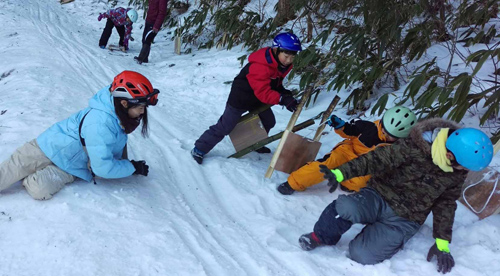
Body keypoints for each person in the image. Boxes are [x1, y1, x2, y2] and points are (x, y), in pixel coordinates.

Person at [298, 118, 494, 274]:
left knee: (362, 255)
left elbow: (446, 204)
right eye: (463, 165)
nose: (463, 170)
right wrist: (341, 173)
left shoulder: (456, 172)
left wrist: (442, 244)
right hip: (378, 195)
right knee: (346, 208)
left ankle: (378, 233)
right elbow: (377, 160)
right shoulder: (415, 147)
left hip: (406, 218)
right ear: (450, 155)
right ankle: (320, 236)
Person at [0, 71, 159, 200]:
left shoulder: (119, 117)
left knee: (39, 190)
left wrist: (128, 165)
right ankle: (28, 167)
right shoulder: (100, 123)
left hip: (72, 166)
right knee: (8, 172)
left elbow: (103, 163)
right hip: (48, 146)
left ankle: (33, 176)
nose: (142, 112)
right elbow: (104, 169)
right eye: (141, 107)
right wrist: (131, 167)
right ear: (124, 103)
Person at [191, 32, 302, 164]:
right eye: (286, 56)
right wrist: (282, 99)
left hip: (257, 98)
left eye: (292, 56)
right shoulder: (260, 66)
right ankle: (199, 148)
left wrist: (284, 93)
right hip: (241, 98)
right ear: (275, 49)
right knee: (225, 126)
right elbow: (263, 91)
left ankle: (251, 143)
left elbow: (273, 82)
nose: (289, 60)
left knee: (268, 121)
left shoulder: (281, 64)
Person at [277, 106, 416, 195]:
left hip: (366, 164)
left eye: (391, 136)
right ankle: (294, 183)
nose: (386, 135)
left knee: (362, 182)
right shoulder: (368, 127)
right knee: (326, 165)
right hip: (347, 152)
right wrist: (341, 126)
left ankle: (346, 183)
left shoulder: (399, 148)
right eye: (385, 130)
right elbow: (350, 130)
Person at [134, 0, 168, 64]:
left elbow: (162, 13)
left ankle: (141, 58)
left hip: (154, 23)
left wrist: (156, 26)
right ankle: (145, 58)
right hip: (149, 20)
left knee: (148, 40)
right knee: (144, 39)